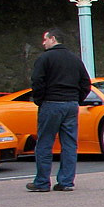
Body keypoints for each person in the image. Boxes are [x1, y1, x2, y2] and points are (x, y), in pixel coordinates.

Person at [27, 28, 91, 193]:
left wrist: (39, 100)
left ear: (53, 39)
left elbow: (37, 81)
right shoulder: (75, 59)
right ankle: (66, 181)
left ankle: (42, 182)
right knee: (69, 144)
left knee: (45, 143)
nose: (43, 43)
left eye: (45, 39)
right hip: (71, 104)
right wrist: (77, 99)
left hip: (51, 103)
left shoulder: (44, 58)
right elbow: (86, 83)